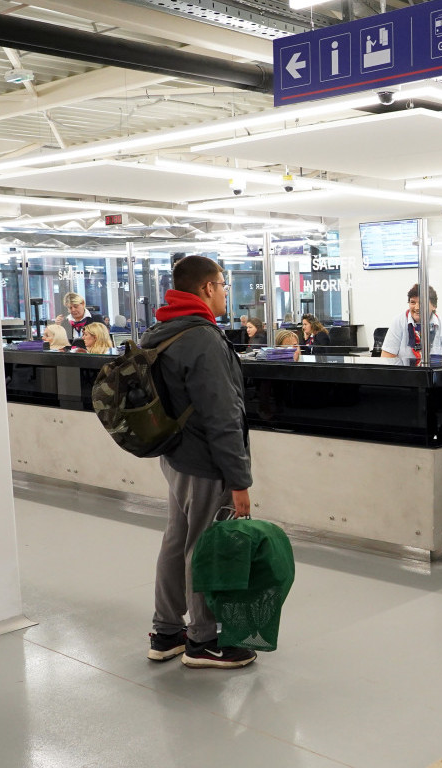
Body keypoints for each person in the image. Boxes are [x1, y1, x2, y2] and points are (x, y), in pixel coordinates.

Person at [140, 254, 256, 670]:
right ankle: (204, 640)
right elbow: (223, 416)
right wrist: (239, 480)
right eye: (223, 284)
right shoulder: (203, 338)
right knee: (204, 547)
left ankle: (167, 631)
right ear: (207, 288)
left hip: (175, 456)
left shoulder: (162, 330)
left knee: (177, 539)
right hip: (205, 462)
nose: (226, 292)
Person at [381, 284, 442, 364]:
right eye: (413, 302)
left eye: (422, 303)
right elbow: (387, 358)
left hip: (433, 370)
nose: (417, 307)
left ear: (434, 306)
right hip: (404, 370)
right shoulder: (398, 322)